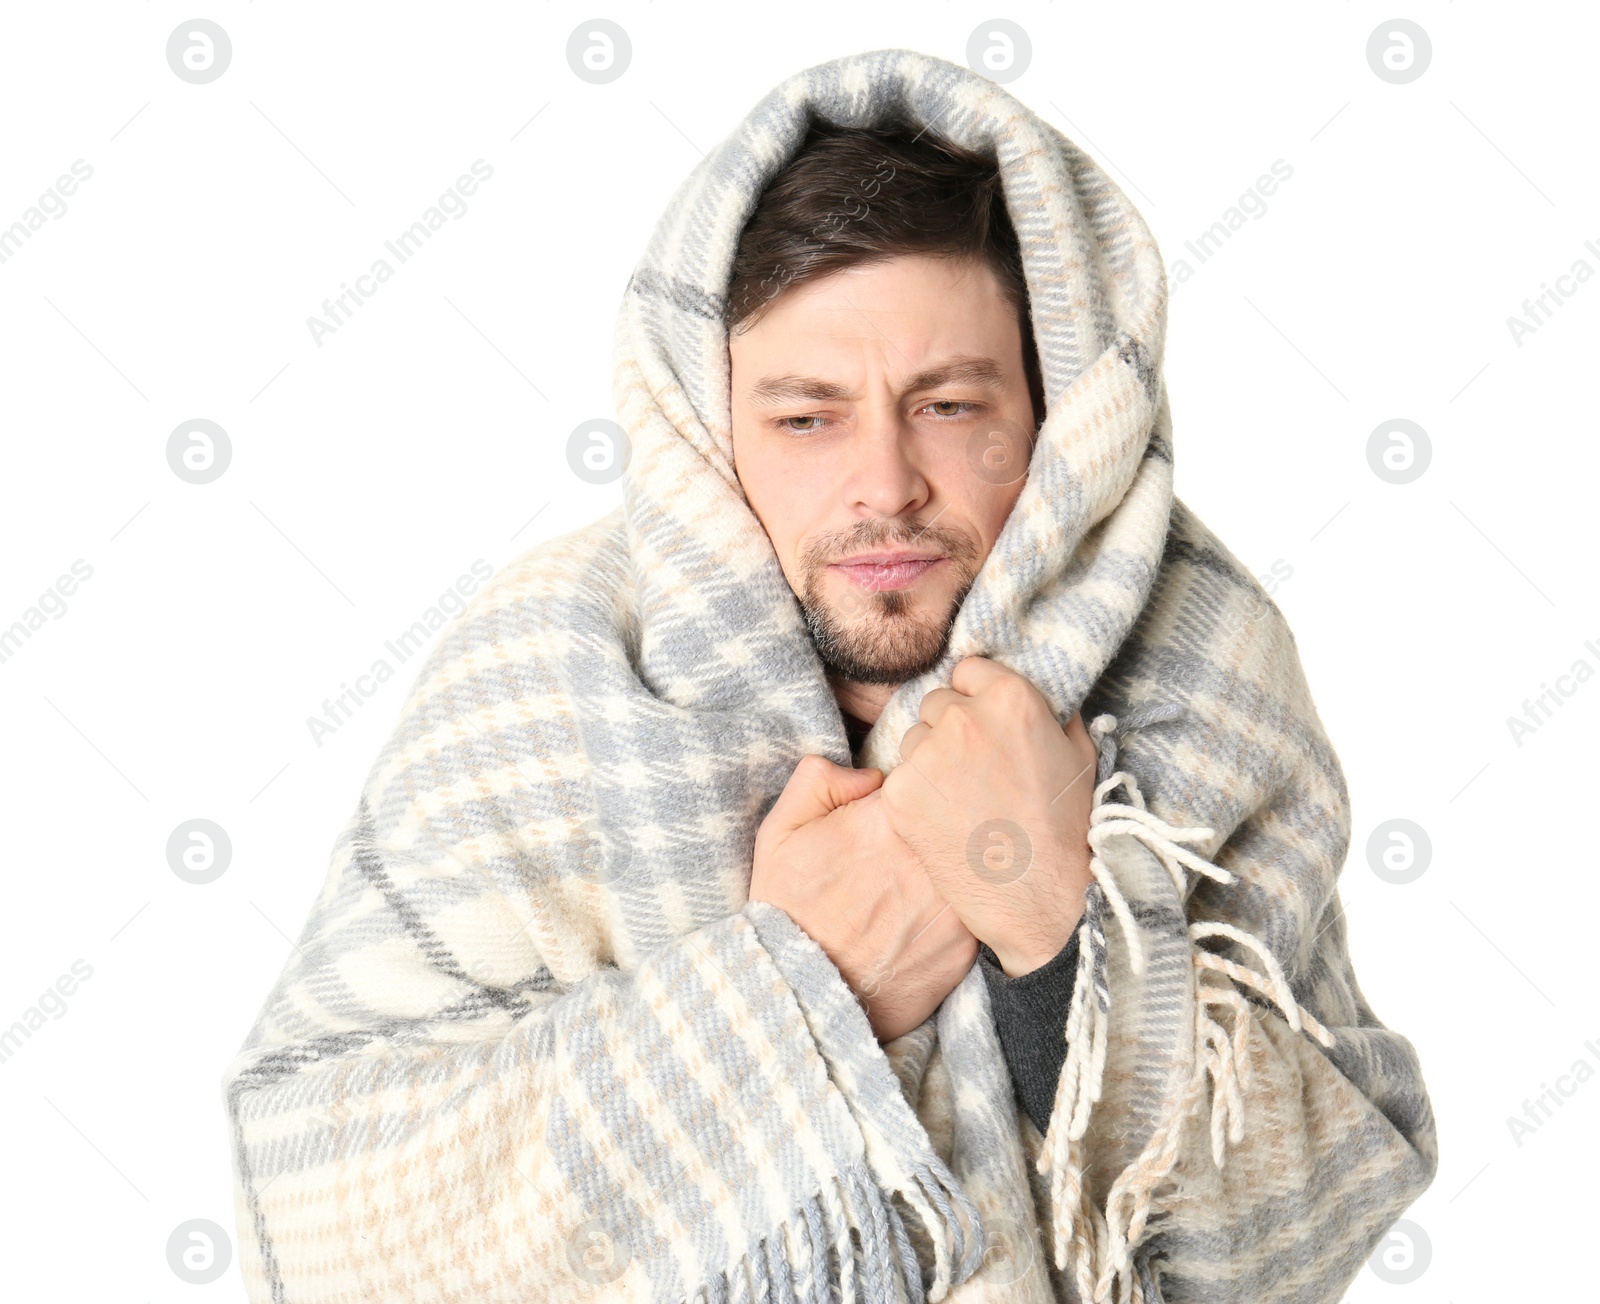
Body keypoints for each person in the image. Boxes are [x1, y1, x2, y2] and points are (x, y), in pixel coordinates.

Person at [221, 48, 1437, 1304]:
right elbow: (318, 1216)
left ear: (1062, 412)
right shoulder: (550, 663)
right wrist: (795, 982)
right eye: (807, 416)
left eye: (952, 405)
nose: (885, 483)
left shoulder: (1199, 656)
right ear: (708, 427)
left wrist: (1050, 926)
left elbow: (1317, 1221)